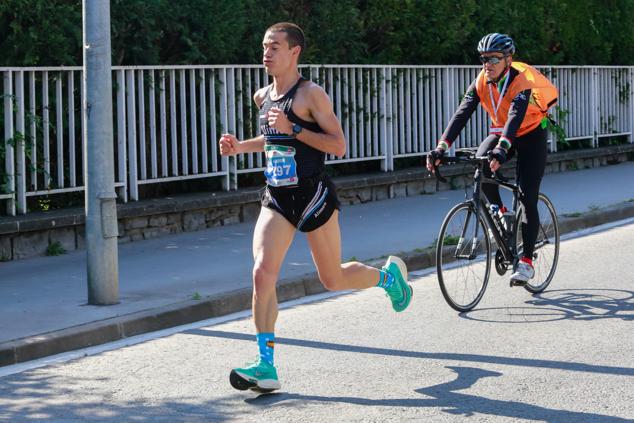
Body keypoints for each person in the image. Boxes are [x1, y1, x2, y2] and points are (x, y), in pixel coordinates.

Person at [219, 22, 412, 393]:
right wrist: (240, 146)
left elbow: (338, 145)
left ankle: (389, 278)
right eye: (264, 46)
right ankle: (265, 364)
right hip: (277, 198)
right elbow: (272, 138)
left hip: (313, 196)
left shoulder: (311, 95)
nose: (266, 53)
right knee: (262, 273)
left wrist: (295, 130)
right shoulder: (263, 96)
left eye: (274, 47)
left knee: (332, 279)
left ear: (295, 52)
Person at [426, 33, 558, 284]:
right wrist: (441, 148)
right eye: (484, 59)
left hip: (530, 134)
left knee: (527, 195)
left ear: (508, 60)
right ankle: (501, 211)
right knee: (480, 162)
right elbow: (461, 114)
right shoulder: (481, 82)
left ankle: (527, 261)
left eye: (494, 59)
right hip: (501, 133)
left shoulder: (521, 82)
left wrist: (502, 148)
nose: (487, 64)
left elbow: (515, 117)